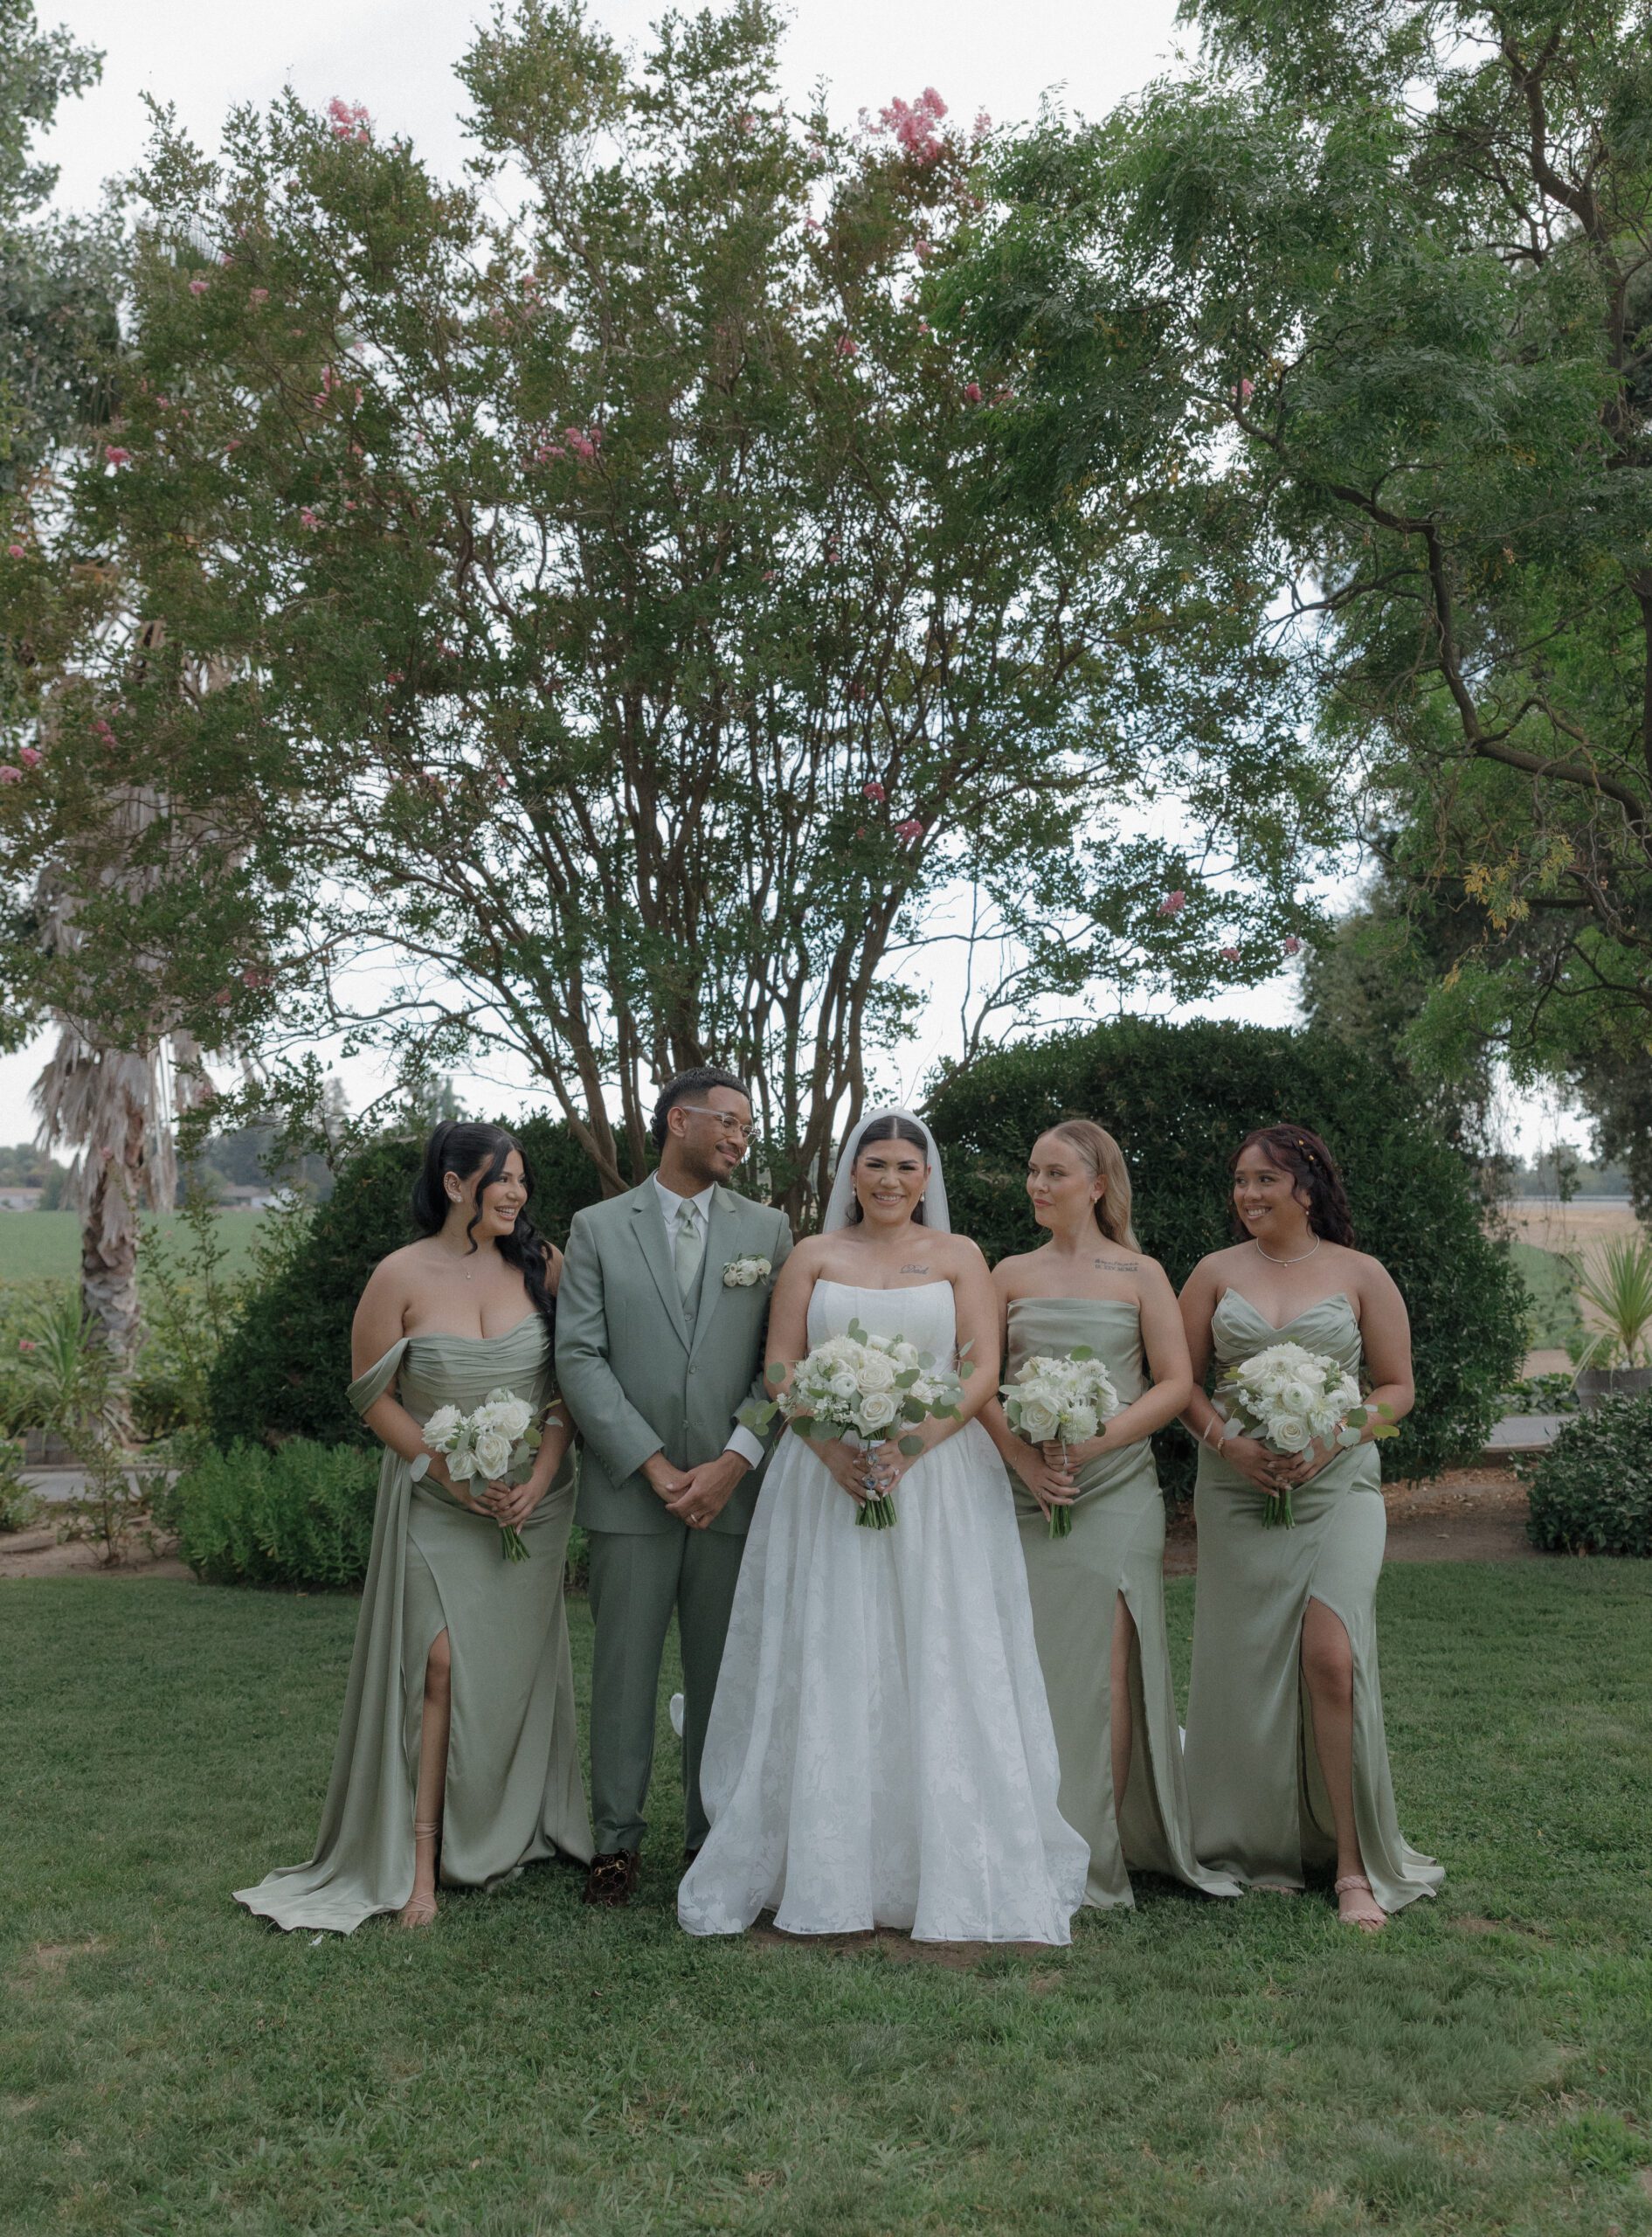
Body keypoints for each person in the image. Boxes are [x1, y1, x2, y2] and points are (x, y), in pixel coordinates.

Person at [678, 1109, 1088, 1944]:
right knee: (832, 1645)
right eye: (875, 1165)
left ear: (926, 1177)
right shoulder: (814, 1257)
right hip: (822, 1480)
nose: (891, 1180)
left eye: (906, 1166)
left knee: (936, 1648)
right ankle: (821, 1865)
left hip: (938, 1483)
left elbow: (980, 1370)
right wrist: (831, 1451)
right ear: (851, 1175)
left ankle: (946, 1860)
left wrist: (912, 1442)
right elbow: (781, 1367)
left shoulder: (959, 1257)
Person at [235, 1122, 592, 1934]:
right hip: (436, 1504)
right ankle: (420, 1865)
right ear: (457, 1182)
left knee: (502, 1676)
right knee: (437, 1666)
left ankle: (507, 1827)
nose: (517, 1194)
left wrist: (537, 1478)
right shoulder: (398, 1273)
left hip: (528, 1507)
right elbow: (372, 1397)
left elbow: (568, 1385)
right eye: (502, 1179)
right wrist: (443, 1471)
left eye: (523, 1182)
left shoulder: (543, 1266)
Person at [1178, 1123, 1443, 1930]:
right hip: (1236, 1489)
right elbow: (1179, 1384)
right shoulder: (1212, 1274)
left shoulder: (1361, 1274)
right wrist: (1229, 1442)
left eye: (1264, 1180)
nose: (1247, 1195)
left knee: (1331, 1657)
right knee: (1248, 1660)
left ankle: (1354, 1867)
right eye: (1239, 1181)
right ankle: (1258, 1840)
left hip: (1341, 1489)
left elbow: (1396, 1387)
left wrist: (1333, 1435)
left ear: (1307, 1186)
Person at [981, 1121, 1239, 1910]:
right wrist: (1027, 1458)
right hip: (1026, 1493)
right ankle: (1024, 1843)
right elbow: (980, 1384)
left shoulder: (1140, 1272)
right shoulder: (1006, 1273)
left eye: (1053, 1172)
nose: (1036, 1185)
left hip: (1116, 1489)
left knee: (1106, 1669)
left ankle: (1093, 1862)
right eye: (1030, 1171)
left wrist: (1094, 1444)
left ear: (1096, 1185)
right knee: (1029, 1660)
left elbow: (1171, 1383)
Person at [554, 1068, 792, 1907]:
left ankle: (710, 1837)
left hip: (732, 1490)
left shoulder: (769, 1228)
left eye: (748, 1127)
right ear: (677, 1120)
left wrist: (733, 1462)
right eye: (727, 1122)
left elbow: (783, 1364)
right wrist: (652, 1464)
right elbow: (577, 1356)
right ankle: (614, 1846)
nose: (739, 1138)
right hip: (631, 1494)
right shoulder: (595, 1228)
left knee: (723, 1673)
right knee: (622, 1669)